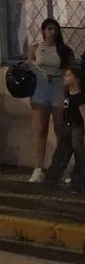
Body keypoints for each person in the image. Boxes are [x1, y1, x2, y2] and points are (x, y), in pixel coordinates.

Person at [26, 18, 73, 183]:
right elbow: (30, 65)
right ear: (43, 30)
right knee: (40, 130)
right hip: (40, 89)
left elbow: (69, 71)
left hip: (58, 89)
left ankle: (62, 168)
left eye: (55, 29)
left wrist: (68, 93)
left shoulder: (64, 50)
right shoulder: (35, 48)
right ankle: (38, 169)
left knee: (61, 130)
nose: (52, 32)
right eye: (49, 28)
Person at [46, 65, 84, 193]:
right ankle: (52, 180)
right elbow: (64, 111)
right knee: (61, 154)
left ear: (77, 79)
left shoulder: (80, 96)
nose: (65, 78)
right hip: (67, 128)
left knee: (80, 157)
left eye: (69, 75)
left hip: (77, 129)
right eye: (65, 75)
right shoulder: (67, 95)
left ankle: (77, 185)